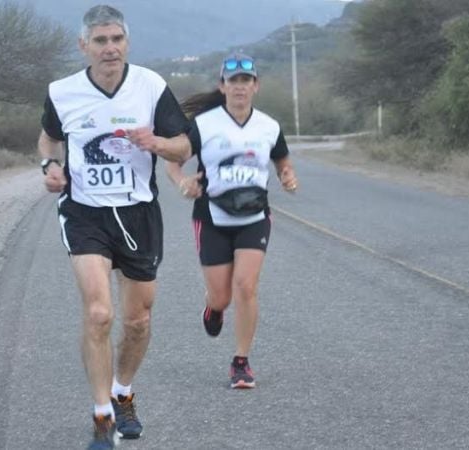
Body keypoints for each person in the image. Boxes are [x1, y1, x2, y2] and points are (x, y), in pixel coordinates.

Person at [37, 5, 190, 449]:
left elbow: (182, 147)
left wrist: (157, 141)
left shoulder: (150, 87)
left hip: (138, 213)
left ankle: (123, 392)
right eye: (100, 41)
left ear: (127, 42)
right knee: (100, 314)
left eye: (117, 39)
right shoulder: (62, 92)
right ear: (83, 46)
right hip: (85, 212)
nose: (110, 49)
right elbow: (49, 136)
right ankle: (102, 414)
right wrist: (50, 164)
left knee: (138, 321)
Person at [166, 53, 298, 389]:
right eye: (233, 81)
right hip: (212, 217)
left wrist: (286, 175)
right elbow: (173, 161)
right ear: (222, 86)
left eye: (246, 81)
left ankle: (241, 362)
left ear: (256, 86)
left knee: (246, 287)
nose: (239, 87)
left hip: (254, 216)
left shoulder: (269, 126)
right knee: (222, 297)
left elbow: (282, 159)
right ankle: (213, 309)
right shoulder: (204, 125)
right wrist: (183, 183)